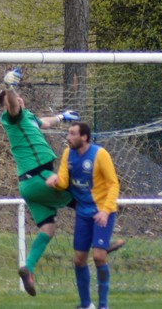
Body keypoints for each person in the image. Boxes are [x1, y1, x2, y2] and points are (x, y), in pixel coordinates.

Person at [0, 68, 79, 296]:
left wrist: (62, 117)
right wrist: (9, 87)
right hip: (40, 176)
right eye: (14, 98)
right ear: (9, 104)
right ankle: (101, 245)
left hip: (29, 186)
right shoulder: (13, 117)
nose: (18, 99)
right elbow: (12, 104)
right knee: (83, 201)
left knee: (48, 229)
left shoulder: (28, 117)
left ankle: (28, 268)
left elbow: (45, 122)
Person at [46, 122, 120, 309]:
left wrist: (105, 211)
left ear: (84, 137)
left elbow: (113, 184)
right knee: (79, 260)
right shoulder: (67, 154)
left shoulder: (100, 154)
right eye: (68, 133)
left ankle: (103, 305)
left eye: (72, 134)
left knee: (99, 257)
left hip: (102, 212)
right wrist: (56, 181)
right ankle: (86, 305)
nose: (68, 137)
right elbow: (64, 182)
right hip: (83, 212)